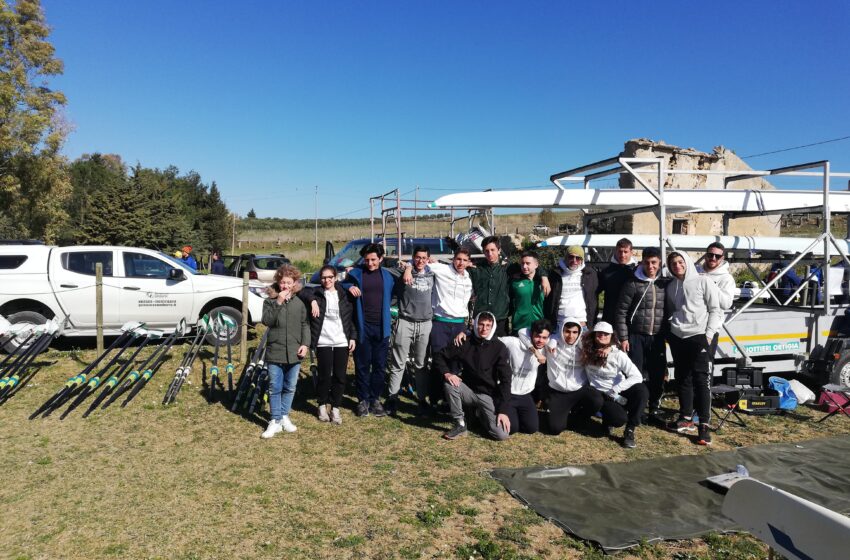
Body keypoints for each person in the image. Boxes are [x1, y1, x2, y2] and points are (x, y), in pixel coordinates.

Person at [665, 250, 722, 446]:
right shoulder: (671, 286)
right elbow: (673, 309)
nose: (677, 266)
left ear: (687, 262)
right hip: (678, 337)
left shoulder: (703, 281)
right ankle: (686, 418)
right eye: (673, 264)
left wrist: (708, 335)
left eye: (680, 262)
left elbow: (715, 309)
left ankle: (704, 426)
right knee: (683, 378)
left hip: (699, 336)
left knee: (701, 380)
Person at [434, 312, 512, 441]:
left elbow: (506, 380)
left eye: (488, 325)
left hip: (487, 395)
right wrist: (447, 373)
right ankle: (460, 424)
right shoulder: (466, 341)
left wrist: (503, 411)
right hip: (468, 391)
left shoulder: (499, 347)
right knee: (450, 384)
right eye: (481, 324)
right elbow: (439, 356)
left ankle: (478, 414)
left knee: (501, 434)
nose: (484, 329)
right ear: (475, 325)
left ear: (493, 327)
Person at [343, 243, 400, 418]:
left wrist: (408, 269)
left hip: (382, 327)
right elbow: (340, 284)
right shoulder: (356, 274)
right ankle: (362, 400)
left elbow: (401, 288)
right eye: (367, 260)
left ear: (381, 259)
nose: (370, 263)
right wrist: (348, 286)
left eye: (374, 260)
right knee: (362, 365)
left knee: (379, 366)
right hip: (363, 326)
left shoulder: (388, 276)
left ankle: (375, 399)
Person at [615, 247, 668, 419]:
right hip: (636, 335)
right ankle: (635, 406)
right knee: (634, 373)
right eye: (647, 262)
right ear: (642, 262)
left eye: (654, 262)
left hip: (657, 336)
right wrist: (624, 337)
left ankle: (654, 406)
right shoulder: (632, 283)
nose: (650, 266)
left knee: (657, 373)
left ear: (660, 263)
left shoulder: (665, 283)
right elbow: (621, 312)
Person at [580, 321, 648, 448]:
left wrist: (616, 388)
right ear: (594, 335)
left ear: (611, 336)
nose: (602, 336)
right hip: (600, 394)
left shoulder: (618, 355)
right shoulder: (585, 349)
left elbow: (637, 376)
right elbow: (568, 340)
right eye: (599, 333)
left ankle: (630, 429)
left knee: (642, 390)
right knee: (618, 419)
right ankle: (608, 420)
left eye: (606, 334)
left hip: (617, 391)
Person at [261, 264, 310, 439]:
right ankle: (274, 420)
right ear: (278, 282)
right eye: (283, 282)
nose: (285, 286)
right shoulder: (270, 301)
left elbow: (305, 325)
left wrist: (305, 344)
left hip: (294, 352)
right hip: (275, 350)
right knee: (275, 387)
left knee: (290, 387)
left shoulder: (299, 303)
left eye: (289, 283)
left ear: (295, 283)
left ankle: (284, 416)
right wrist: (279, 302)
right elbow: (267, 321)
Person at [468, 236, 550, 336]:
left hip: (500, 319)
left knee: (501, 345)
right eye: (487, 251)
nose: (490, 253)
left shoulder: (509, 267)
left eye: (493, 250)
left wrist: (544, 277)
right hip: (480, 318)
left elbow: (532, 266)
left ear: (499, 250)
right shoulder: (476, 268)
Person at [306, 265, 357, 425]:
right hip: (323, 341)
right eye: (323, 277)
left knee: (340, 376)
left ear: (335, 278)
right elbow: (302, 291)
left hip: (341, 340)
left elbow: (350, 318)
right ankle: (322, 405)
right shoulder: (316, 293)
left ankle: (335, 407)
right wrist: (312, 301)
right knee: (324, 375)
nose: (326, 280)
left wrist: (352, 337)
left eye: (330, 277)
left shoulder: (344, 294)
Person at [388, 246, 435, 416]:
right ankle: (392, 398)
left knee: (421, 365)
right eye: (417, 257)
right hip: (405, 321)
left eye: (424, 258)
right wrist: (407, 267)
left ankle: (422, 400)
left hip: (425, 324)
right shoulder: (402, 272)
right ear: (413, 258)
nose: (420, 261)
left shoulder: (433, 273)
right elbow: (384, 267)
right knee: (398, 363)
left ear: (428, 259)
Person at [425, 247, 474, 408]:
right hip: (441, 321)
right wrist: (408, 268)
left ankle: (449, 400)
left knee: (455, 362)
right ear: (453, 259)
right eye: (458, 259)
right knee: (438, 359)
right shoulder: (442, 269)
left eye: (464, 260)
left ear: (469, 262)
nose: (461, 263)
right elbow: (421, 263)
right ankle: (434, 399)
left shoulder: (468, 277)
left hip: (459, 324)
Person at [545, 318, 599, 435]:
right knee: (555, 429)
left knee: (597, 400)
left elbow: (604, 342)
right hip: (558, 392)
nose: (571, 336)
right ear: (561, 331)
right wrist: (553, 339)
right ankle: (565, 417)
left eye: (575, 332)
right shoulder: (550, 344)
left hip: (579, 390)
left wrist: (609, 348)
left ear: (579, 333)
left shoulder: (584, 347)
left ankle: (578, 417)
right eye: (567, 331)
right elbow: (523, 332)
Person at [500, 320, 551, 434]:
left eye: (544, 337)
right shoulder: (514, 343)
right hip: (508, 393)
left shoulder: (546, 348)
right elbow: (521, 331)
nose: (540, 340)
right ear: (531, 334)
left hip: (525, 395)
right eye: (537, 336)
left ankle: (516, 414)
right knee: (512, 429)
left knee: (531, 428)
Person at [544, 245, 599, 330]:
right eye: (571, 257)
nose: (574, 260)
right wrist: (543, 276)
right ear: (565, 258)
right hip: (559, 324)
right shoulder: (555, 274)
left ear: (582, 260)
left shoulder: (590, 274)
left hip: (582, 324)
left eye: (578, 258)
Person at [598, 238, 636, 324]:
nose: (622, 255)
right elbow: (593, 294)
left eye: (625, 252)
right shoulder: (606, 272)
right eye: (620, 251)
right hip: (610, 318)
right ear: (615, 251)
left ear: (631, 252)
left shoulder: (637, 272)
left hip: (631, 319)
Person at [509, 251, 546, 335]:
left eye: (528, 263)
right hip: (519, 326)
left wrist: (545, 278)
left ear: (536, 265)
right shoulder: (515, 282)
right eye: (522, 263)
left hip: (539, 326)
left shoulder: (543, 282)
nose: (524, 266)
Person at [698, 242, 735, 310]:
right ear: (706, 255)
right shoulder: (696, 272)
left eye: (718, 256)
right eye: (710, 255)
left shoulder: (726, 278)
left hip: (713, 316)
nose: (713, 258)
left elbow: (726, 304)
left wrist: (709, 283)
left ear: (722, 258)